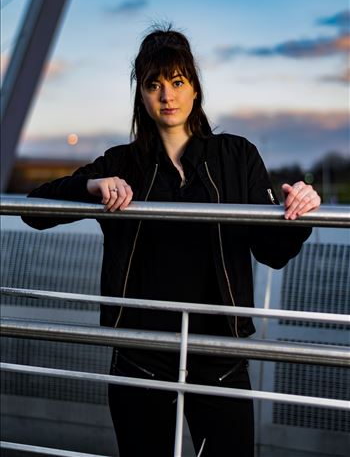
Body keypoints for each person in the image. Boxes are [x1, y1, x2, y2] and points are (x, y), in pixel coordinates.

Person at [23, 26, 321, 457]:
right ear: (141, 96)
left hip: (220, 355)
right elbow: (34, 210)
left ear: (195, 89)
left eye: (178, 82)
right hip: (142, 358)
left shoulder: (236, 155)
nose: (168, 95)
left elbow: (272, 253)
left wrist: (300, 212)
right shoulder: (122, 164)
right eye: (154, 85)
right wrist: (91, 186)